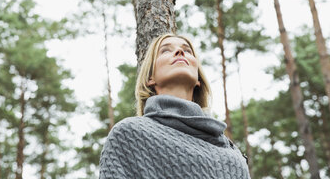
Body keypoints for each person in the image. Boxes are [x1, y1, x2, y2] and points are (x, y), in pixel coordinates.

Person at [99, 33, 250, 179]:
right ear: (150, 78)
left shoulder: (232, 153)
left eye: (187, 50)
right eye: (165, 50)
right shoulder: (129, 134)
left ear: (198, 79)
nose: (180, 52)